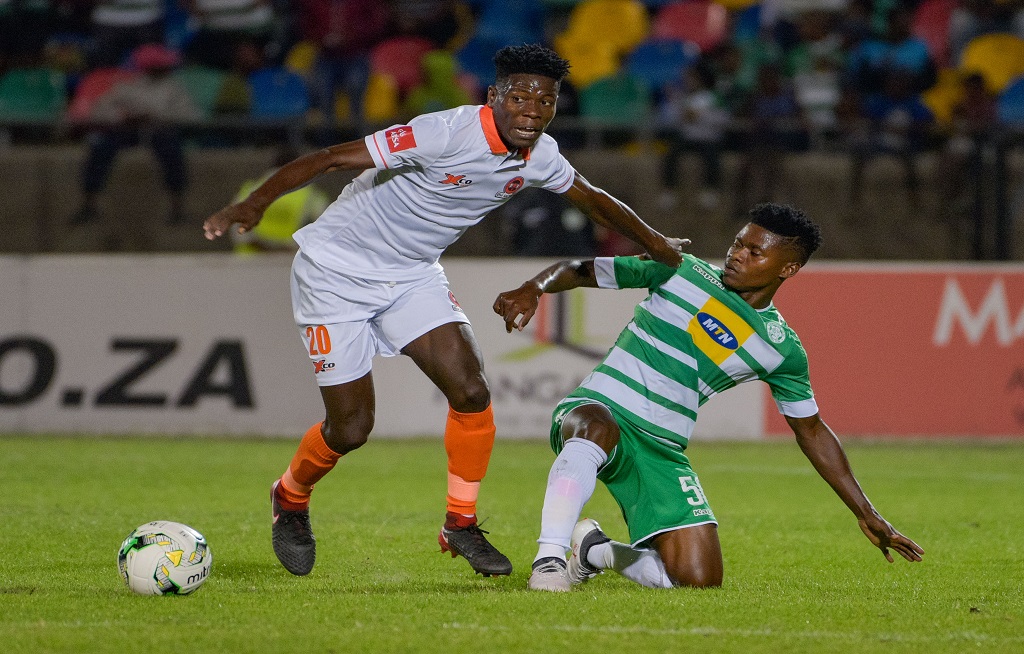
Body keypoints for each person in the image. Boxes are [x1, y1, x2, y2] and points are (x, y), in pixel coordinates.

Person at [202, 44, 687, 578]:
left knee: (472, 391)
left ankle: (460, 523)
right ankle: (290, 495)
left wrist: (656, 242)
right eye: (520, 98)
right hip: (334, 272)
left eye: (545, 102)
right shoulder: (444, 132)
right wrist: (255, 202)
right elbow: (331, 158)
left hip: (412, 275)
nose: (532, 111)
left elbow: (591, 197)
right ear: (494, 96)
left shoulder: (541, 154)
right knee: (352, 427)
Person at [492, 202, 924, 591]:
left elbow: (811, 431)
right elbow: (581, 269)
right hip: (598, 408)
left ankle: (595, 551)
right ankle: (549, 561)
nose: (737, 255)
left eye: (755, 252)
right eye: (738, 243)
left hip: (661, 448)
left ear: (787, 268)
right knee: (595, 427)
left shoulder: (781, 349)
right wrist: (535, 286)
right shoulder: (680, 269)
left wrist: (866, 512)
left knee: (698, 579)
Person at [74, 43, 199, 226]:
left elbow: (190, 115)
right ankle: (89, 205)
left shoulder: (174, 88)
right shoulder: (127, 85)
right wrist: (123, 117)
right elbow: (100, 111)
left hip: (159, 132)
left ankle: (177, 207)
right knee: (101, 148)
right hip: (127, 132)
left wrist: (156, 117)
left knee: (172, 152)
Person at [231, 148, 331, 255]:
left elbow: (235, 228)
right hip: (287, 259)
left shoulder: (249, 190)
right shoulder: (311, 194)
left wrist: (260, 245)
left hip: (248, 259)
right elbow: (327, 228)